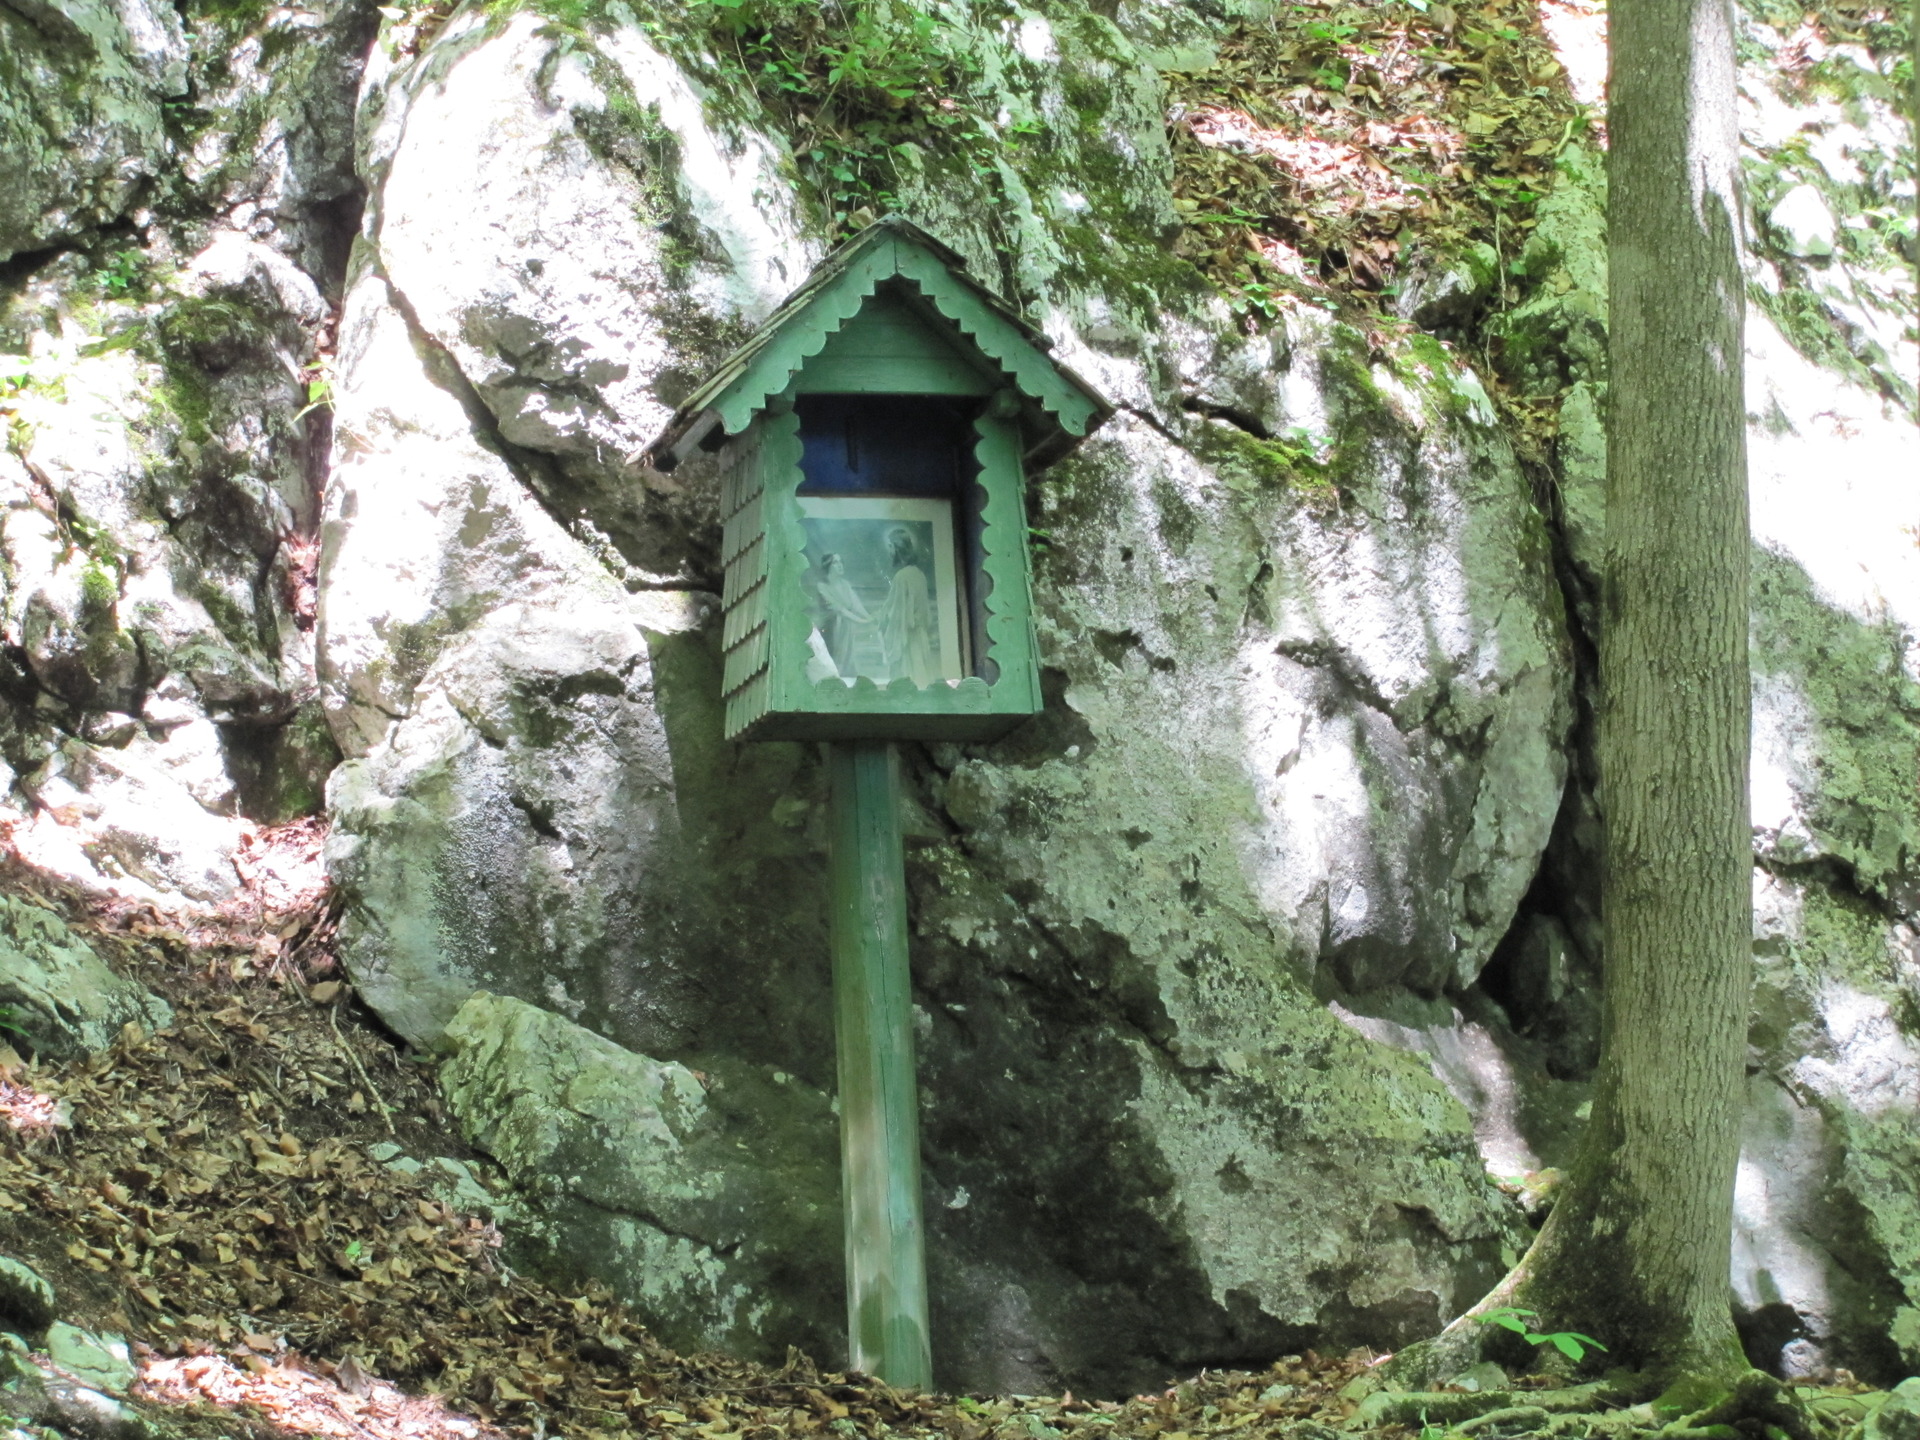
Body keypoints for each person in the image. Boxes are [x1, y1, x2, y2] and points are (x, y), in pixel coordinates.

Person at [878, 527, 938, 686]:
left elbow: (897, 615)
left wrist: (882, 619)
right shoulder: (919, 574)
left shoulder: (901, 577)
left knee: (907, 682)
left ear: (898, 548)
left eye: (890, 547)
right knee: (921, 679)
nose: (889, 552)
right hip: (920, 638)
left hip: (908, 642)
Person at [814, 552, 870, 676]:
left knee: (848, 660)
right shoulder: (822, 586)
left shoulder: (845, 585)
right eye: (835, 562)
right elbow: (840, 610)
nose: (840, 565)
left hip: (846, 630)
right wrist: (863, 621)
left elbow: (856, 604)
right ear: (828, 566)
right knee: (835, 661)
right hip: (832, 630)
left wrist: (869, 617)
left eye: (841, 562)